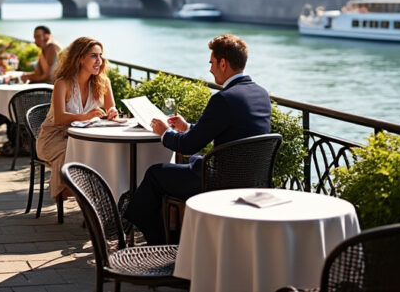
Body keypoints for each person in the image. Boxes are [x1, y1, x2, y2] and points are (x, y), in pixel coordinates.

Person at [124, 33, 271, 245]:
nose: (210, 69)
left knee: (155, 174)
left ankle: (159, 242)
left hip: (219, 182)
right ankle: (166, 233)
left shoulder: (223, 99)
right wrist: (188, 127)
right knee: (189, 163)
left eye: (212, 62)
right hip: (251, 179)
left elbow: (188, 145)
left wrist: (164, 132)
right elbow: (233, 130)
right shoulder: (261, 94)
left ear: (222, 63)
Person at [36, 37, 117, 202]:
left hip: (84, 137)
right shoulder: (62, 84)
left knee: (106, 152)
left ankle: (99, 193)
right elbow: (59, 119)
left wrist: (113, 112)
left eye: (100, 55)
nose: (99, 61)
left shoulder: (103, 83)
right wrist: (86, 116)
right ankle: (69, 192)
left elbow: (111, 110)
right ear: (80, 58)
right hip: (54, 137)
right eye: (94, 56)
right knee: (73, 151)